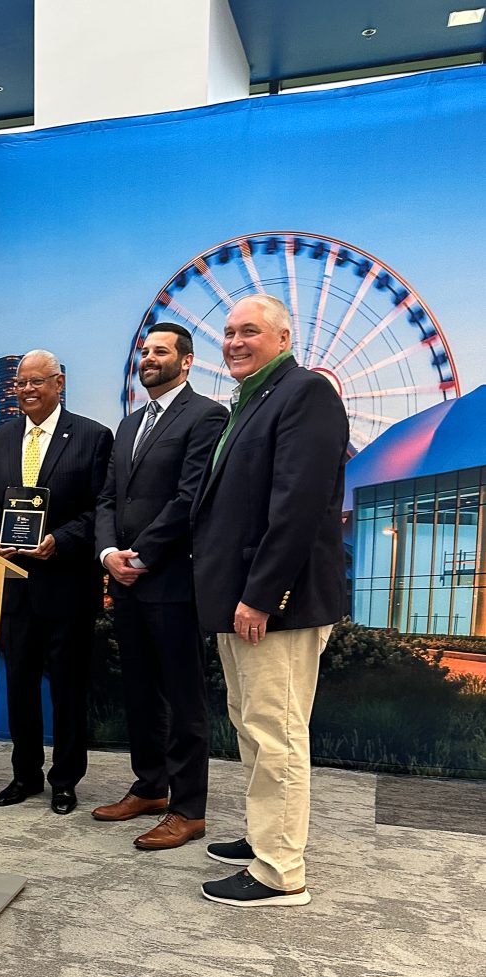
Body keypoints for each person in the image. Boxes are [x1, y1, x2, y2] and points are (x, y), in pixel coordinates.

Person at [192, 294, 349, 907]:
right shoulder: (255, 399)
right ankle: (267, 837)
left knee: (276, 728)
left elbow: (297, 506)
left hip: (275, 605)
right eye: (228, 332)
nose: (234, 341)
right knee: (252, 724)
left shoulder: (305, 394)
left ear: (284, 339)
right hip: (242, 600)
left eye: (249, 331)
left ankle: (280, 871)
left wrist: (262, 596)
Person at [94, 323, 228, 849]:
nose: (148, 359)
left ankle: (188, 808)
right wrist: (109, 556)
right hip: (125, 583)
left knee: (183, 697)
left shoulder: (206, 416)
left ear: (187, 361)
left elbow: (190, 496)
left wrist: (143, 555)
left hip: (171, 582)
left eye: (160, 352)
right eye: (145, 352)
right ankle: (150, 787)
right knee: (140, 694)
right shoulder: (128, 426)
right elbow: (107, 498)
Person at [0, 350, 113, 815]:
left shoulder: (93, 436)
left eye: (37, 382)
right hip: (16, 584)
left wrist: (60, 539)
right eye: (20, 384)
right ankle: (25, 775)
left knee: (67, 688)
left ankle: (65, 780)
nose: (27, 390)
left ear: (59, 382)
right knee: (18, 685)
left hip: (68, 582)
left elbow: (102, 507)